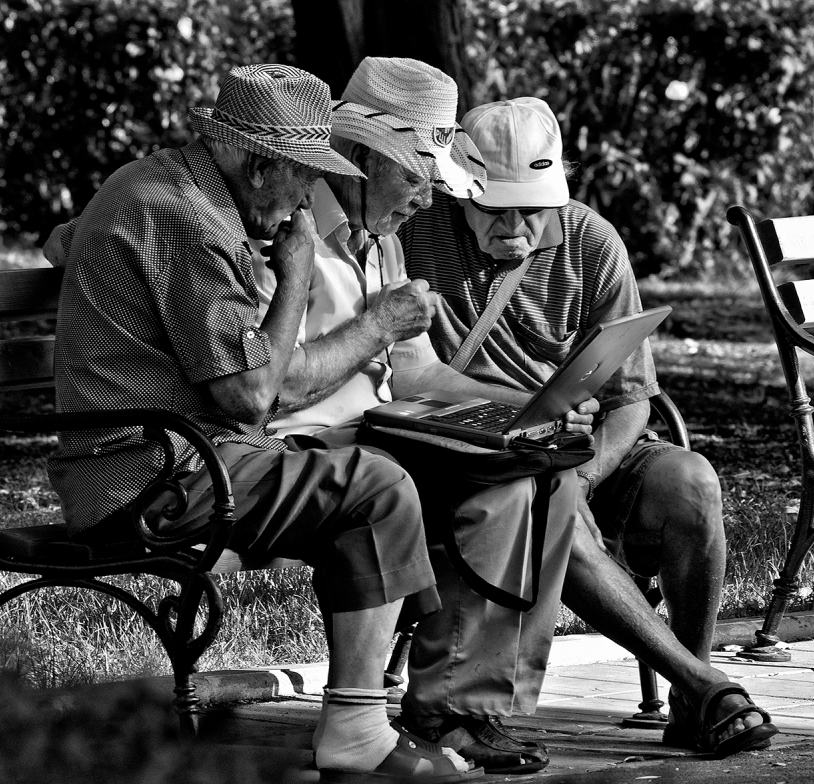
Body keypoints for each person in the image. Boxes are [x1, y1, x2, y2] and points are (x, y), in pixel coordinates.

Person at [44, 63, 481, 783]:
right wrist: (300, 269)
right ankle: (360, 728)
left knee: (381, 481)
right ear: (258, 165)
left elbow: (67, 241)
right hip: (149, 478)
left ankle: (374, 710)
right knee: (377, 487)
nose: (308, 199)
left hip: (185, 455)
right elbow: (250, 396)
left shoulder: (173, 188)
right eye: (304, 178)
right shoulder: (188, 220)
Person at [397, 97, 779, 757]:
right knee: (551, 503)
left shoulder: (591, 242)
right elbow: (402, 374)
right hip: (469, 456)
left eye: (532, 210)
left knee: (692, 484)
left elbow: (631, 399)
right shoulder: (412, 230)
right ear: (460, 192)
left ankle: (693, 703)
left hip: (575, 446)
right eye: (495, 209)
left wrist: (588, 471)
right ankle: (704, 686)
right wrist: (561, 478)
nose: (515, 227)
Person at [248, 57, 597, 775]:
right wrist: (376, 326)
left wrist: (533, 406)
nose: (426, 198)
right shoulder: (288, 228)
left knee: (541, 470)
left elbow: (416, 373)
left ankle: (466, 705)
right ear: (363, 158)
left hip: (382, 433)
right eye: (417, 176)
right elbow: (268, 387)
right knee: (499, 486)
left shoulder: (383, 238)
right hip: (307, 446)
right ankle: (445, 708)